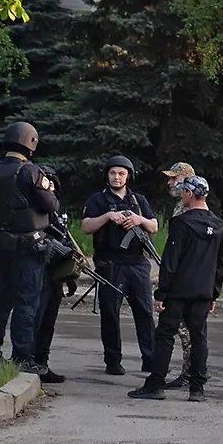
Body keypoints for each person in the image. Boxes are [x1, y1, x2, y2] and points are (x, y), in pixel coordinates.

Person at [128, 175, 223, 402]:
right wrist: (214, 293)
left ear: (190, 194)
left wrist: (161, 293)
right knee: (199, 337)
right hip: (203, 291)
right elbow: (220, 264)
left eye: (183, 191)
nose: (181, 194)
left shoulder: (182, 224)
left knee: (164, 335)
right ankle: (197, 389)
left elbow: (171, 261)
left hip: (178, 291)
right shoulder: (220, 226)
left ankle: (156, 384)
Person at [0, 121, 60, 374]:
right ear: (31, 143)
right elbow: (51, 205)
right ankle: (22, 356)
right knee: (26, 302)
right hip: (28, 247)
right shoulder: (30, 172)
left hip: (0, 246)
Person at [81, 155, 159, 375]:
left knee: (144, 312)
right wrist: (108, 216)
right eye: (113, 173)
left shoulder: (138, 200)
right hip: (109, 263)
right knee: (110, 314)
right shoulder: (98, 200)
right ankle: (113, 360)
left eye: (121, 173)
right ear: (107, 175)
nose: (117, 177)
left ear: (128, 176)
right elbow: (86, 227)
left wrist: (138, 220)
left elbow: (153, 226)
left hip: (136, 262)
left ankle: (150, 358)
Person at [29, 163, 76, 384]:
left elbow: (64, 240)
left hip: (54, 275)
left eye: (52, 185)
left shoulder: (55, 214)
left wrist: (70, 274)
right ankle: (28, 361)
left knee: (48, 322)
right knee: (35, 321)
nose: (50, 189)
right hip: (37, 271)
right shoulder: (32, 211)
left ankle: (42, 363)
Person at [161, 162, 196, 389]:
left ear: (186, 179)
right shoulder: (181, 206)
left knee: (186, 330)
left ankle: (191, 373)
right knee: (185, 330)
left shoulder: (190, 208)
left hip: (185, 278)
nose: (170, 183)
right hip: (183, 276)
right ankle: (191, 371)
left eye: (174, 178)